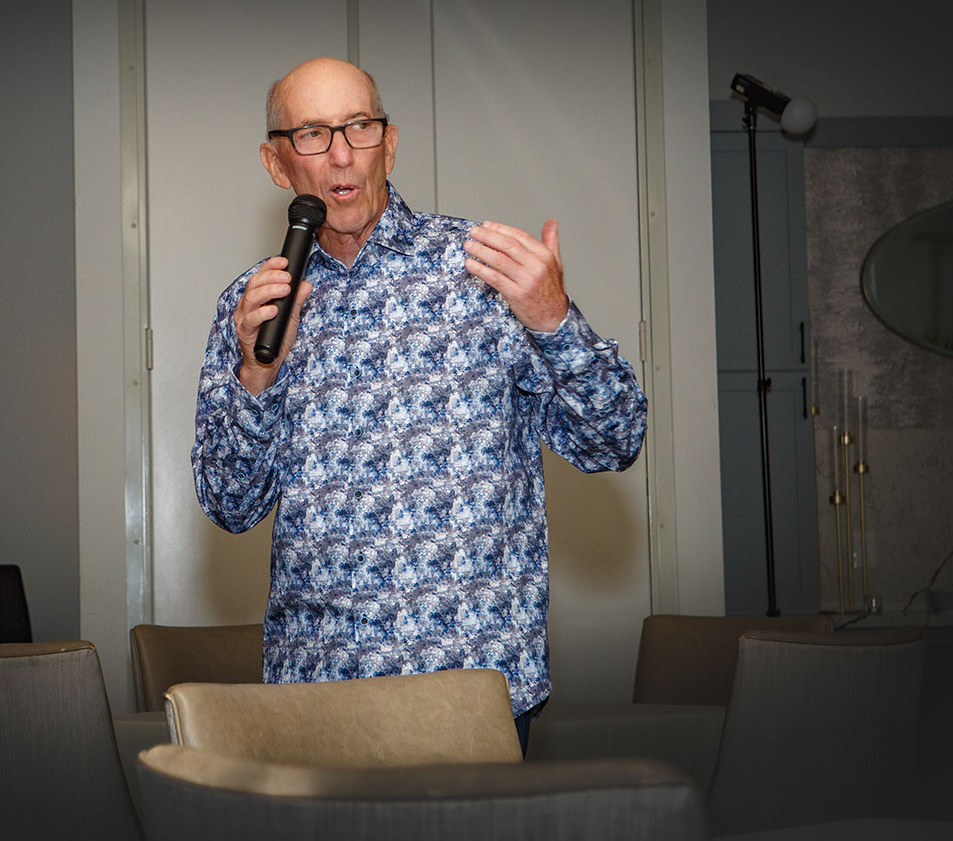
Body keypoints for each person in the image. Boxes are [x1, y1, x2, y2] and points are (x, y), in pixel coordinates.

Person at [191, 56, 647, 752]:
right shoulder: (254, 306)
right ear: (276, 163)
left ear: (391, 143)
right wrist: (256, 377)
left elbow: (615, 439)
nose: (341, 154)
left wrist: (557, 321)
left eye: (359, 127)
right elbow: (230, 504)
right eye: (312, 134)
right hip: (319, 690)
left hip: (474, 687)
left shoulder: (485, 272)